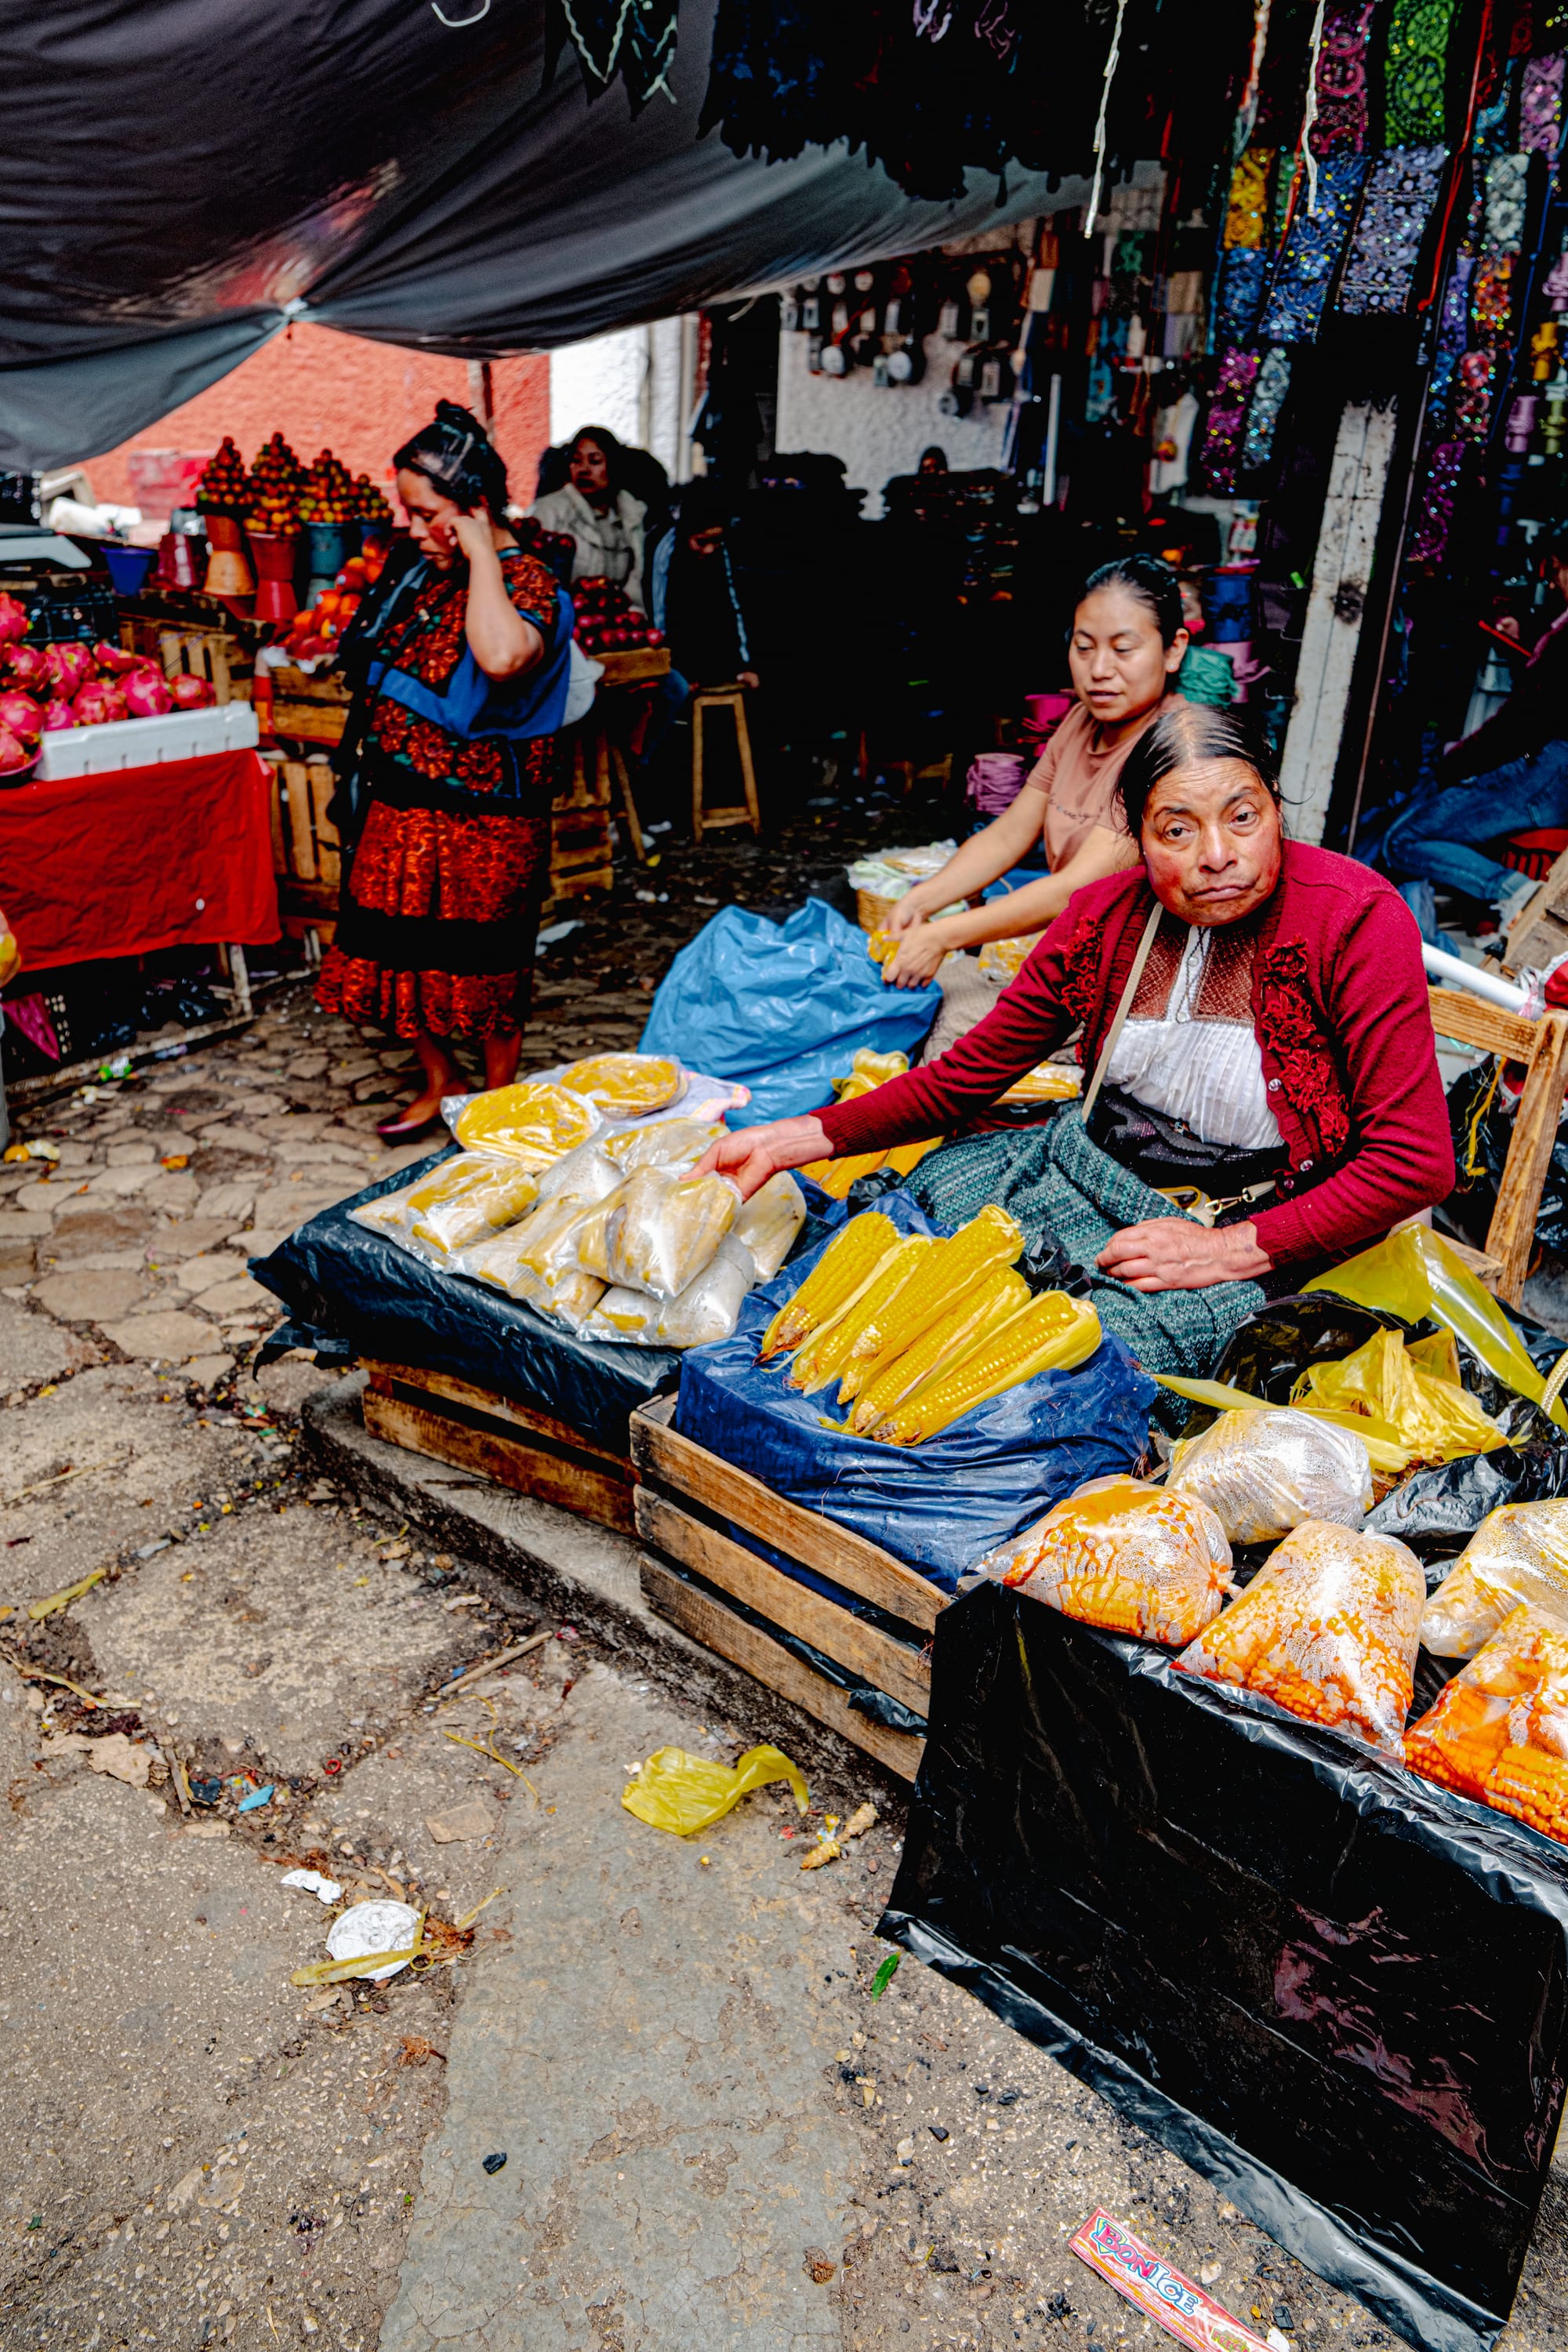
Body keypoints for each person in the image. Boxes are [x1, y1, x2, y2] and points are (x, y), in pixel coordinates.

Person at [698, 703, 1452, 1307]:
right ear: (1138, 838)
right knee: (908, 1238)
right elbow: (963, 1078)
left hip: (1270, 1224)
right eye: (1177, 830)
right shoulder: (1103, 918)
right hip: (1103, 1175)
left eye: (1242, 817)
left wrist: (1222, 1251)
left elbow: (1415, 1164)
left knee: (1088, 1349)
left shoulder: (1354, 918)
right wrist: (785, 1140)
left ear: (1276, 809)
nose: (1217, 854)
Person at [314, 401, 575, 1140]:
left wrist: (485, 550)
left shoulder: (528, 585)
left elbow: (502, 656)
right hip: (401, 809)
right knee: (392, 953)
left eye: (427, 514)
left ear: (475, 507)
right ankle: (442, 1081)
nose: (414, 529)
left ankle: (494, 1104)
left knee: (485, 966)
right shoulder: (428, 573)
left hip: (485, 826)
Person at [879, 554, 1189, 989]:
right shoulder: (1079, 722)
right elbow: (1008, 835)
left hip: (1138, 983)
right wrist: (922, 899)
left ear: (1173, 650)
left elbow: (1075, 889)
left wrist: (942, 935)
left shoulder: (1173, 749)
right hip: (1080, 955)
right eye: (1084, 648)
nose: (1099, 670)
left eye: (1123, 650)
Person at [1383, 516, 1568, 943]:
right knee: (1415, 843)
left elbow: (1525, 719)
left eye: (1555, 570)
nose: (1553, 583)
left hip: (1547, 770)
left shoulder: (1564, 636)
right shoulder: (1559, 632)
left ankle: (1517, 892)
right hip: (1549, 769)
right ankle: (1429, 961)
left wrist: (1456, 764)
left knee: (1403, 841)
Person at [648, 477, 759, 691]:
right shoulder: (664, 549)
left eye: (716, 541)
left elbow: (732, 608)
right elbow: (658, 613)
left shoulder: (722, 554)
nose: (709, 550)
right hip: (672, 656)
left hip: (712, 651)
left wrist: (742, 665)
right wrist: (672, 669)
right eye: (701, 542)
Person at [528, 426, 648, 610]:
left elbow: (637, 580)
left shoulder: (631, 514)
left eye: (595, 461)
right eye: (576, 460)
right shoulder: (550, 511)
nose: (583, 469)